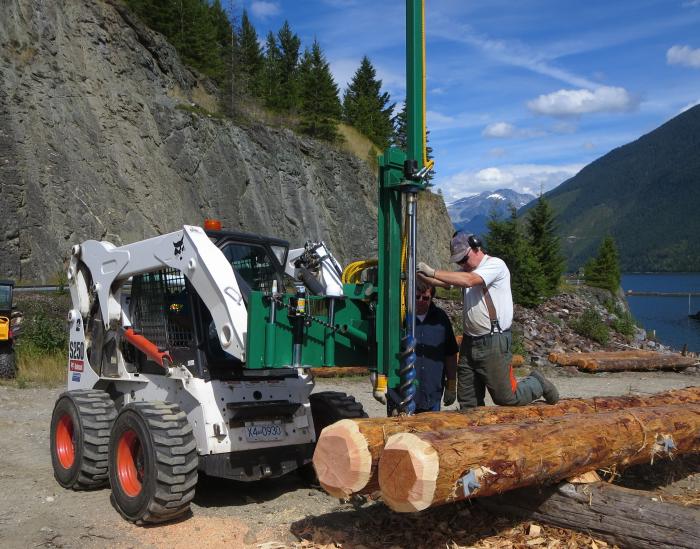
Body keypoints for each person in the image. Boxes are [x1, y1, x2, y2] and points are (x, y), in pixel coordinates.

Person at [417, 232, 559, 409]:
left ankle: (537, 383)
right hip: (470, 342)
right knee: (468, 401)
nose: (462, 264)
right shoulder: (465, 271)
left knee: (507, 398)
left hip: (493, 340)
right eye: (459, 262)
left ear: (476, 247)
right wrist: (418, 273)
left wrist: (433, 271)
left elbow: (470, 281)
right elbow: (442, 282)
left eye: (464, 259)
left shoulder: (495, 265)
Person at [409, 279, 459, 413]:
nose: (420, 301)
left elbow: (450, 353)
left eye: (425, 298)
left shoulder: (441, 319)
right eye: (417, 297)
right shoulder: (399, 318)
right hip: (404, 391)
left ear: (431, 297)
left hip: (433, 392)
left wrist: (451, 384)